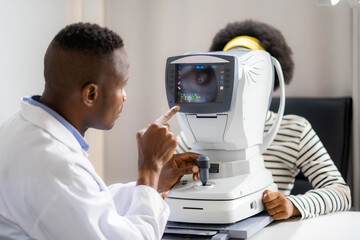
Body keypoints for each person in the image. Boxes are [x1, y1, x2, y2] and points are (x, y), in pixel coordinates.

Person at [0, 23, 200, 239]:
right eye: (121, 86)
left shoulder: (21, 128)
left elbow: (86, 204)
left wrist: (154, 182)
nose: (125, 97)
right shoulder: (54, 165)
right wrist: (149, 170)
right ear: (91, 95)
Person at [176, 19, 351, 220]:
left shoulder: (295, 130)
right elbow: (159, 187)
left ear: (267, 79)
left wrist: (294, 205)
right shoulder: (191, 135)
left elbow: (341, 193)